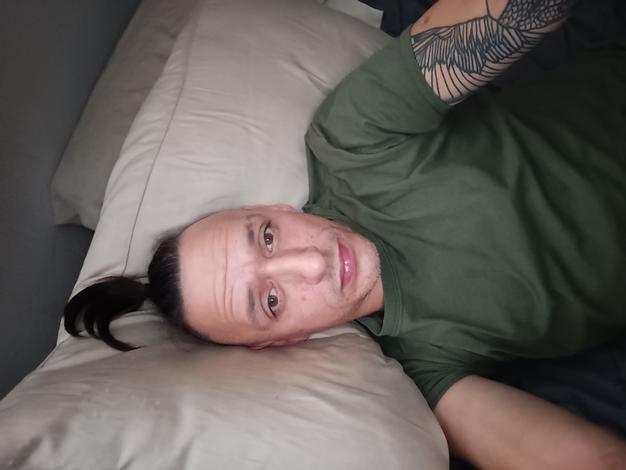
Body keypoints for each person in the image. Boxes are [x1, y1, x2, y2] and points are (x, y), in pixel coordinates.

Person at [65, 0, 626, 468]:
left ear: (272, 209)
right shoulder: (422, 371)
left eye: (266, 237)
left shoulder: (352, 139)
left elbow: (524, 10)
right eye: (271, 300)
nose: (311, 264)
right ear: (280, 342)